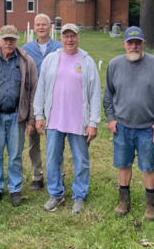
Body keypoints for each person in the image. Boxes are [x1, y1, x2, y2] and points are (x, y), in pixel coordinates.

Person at [103, 26, 154, 221]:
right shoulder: (114, 65)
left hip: (148, 128)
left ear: (143, 43)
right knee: (123, 164)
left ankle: (150, 205)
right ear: (124, 44)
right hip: (122, 127)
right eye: (130, 42)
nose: (134, 46)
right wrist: (111, 118)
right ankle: (124, 201)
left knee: (147, 167)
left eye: (137, 42)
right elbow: (108, 96)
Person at [34, 23, 101, 214]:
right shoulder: (51, 59)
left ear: (78, 38)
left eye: (73, 36)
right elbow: (42, 89)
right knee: (52, 159)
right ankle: (56, 194)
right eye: (66, 36)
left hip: (79, 121)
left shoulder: (87, 61)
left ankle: (79, 195)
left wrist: (93, 122)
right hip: (54, 119)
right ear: (61, 38)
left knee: (81, 160)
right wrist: (39, 115)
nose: (69, 40)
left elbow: (95, 93)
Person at [0, 25, 38, 206]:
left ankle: (15, 189)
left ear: (17, 40)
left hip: (18, 116)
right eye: (5, 39)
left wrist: (31, 119)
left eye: (12, 39)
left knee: (16, 155)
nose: (8, 42)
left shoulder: (27, 61)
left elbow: (34, 91)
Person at [22, 13, 62, 191]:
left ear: (50, 27)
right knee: (34, 140)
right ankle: (37, 176)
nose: (40, 28)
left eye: (43, 25)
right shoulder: (26, 49)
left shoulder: (60, 47)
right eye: (37, 25)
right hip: (33, 99)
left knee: (57, 140)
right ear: (34, 28)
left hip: (56, 99)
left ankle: (56, 174)